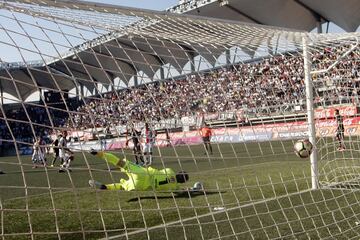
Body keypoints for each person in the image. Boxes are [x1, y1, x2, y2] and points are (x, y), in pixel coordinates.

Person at [88, 150, 189, 192]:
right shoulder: (174, 187)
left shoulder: (170, 171)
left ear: (178, 173)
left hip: (143, 173)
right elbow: (180, 189)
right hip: (141, 186)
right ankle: (104, 187)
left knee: (119, 163)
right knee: (122, 186)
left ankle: (99, 153)